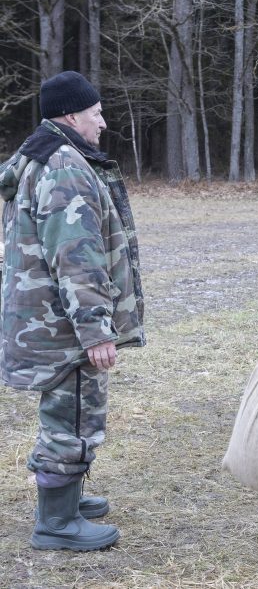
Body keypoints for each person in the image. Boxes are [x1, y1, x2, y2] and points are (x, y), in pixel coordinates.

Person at [0, 71, 145, 551]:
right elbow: (76, 256)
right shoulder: (64, 165)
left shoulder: (47, 155)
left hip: (45, 319)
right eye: (96, 112)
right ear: (70, 115)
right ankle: (56, 523)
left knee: (67, 413)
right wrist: (95, 332)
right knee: (75, 416)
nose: (102, 122)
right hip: (62, 326)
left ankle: (66, 498)